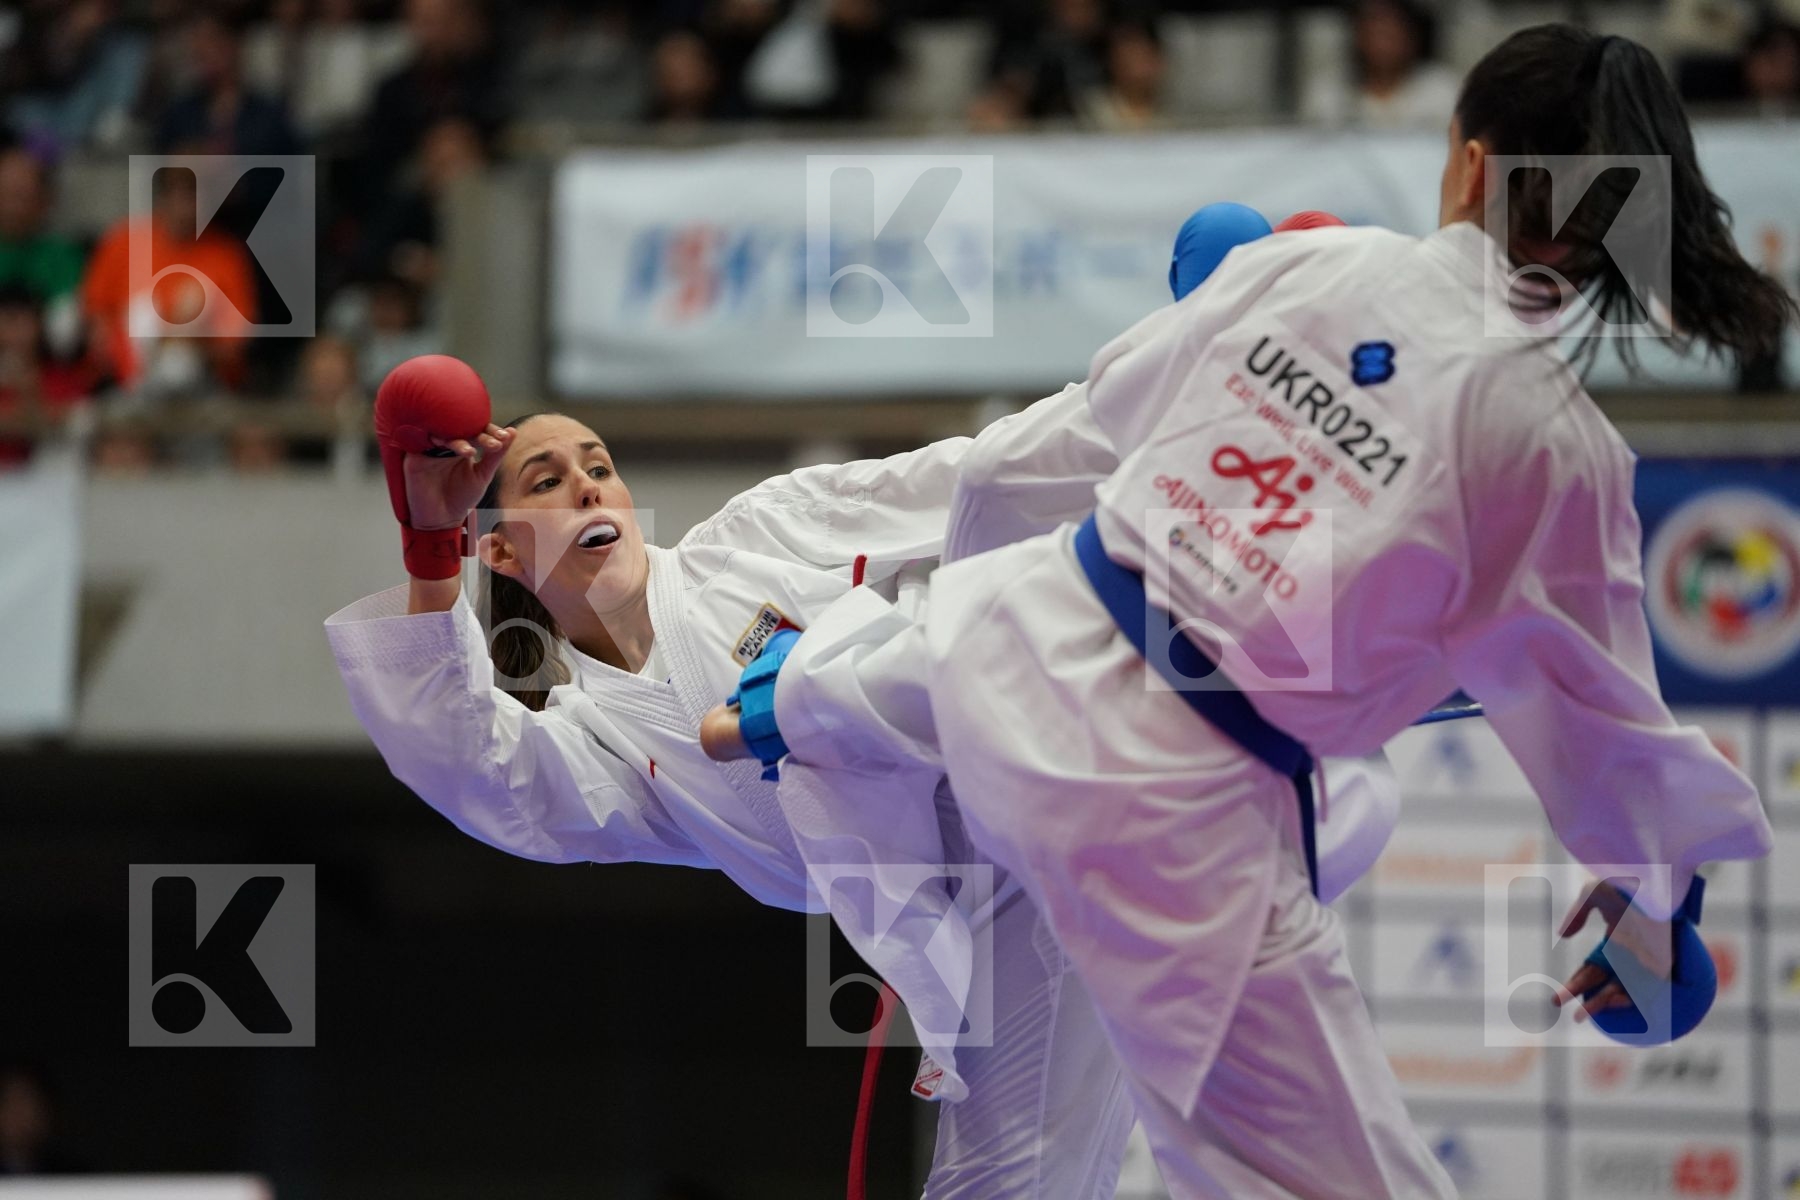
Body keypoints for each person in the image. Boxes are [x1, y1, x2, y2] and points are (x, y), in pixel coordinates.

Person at [702, 26, 1793, 1198]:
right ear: (1614, 226)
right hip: (1173, 808)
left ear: (1471, 166)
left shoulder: (1310, 267)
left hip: (1011, 640)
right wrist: (1656, 915)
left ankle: (809, 691)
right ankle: (824, 692)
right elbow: (1612, 736)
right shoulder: (1560, 454)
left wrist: (933, 642)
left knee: (1009, 618)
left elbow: (1023, 471)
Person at [325, 362, 1141, 1198]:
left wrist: (1187, 376)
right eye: (548, 479)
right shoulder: (598, 745)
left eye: (599, 467)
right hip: (1008, 893)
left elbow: (970, 480)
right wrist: (430, 544)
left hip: (1049, 762)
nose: (588, 488)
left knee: (997, 482)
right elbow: (473, 770)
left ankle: (1217, 374)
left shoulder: (759, 535)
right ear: (497, 549)